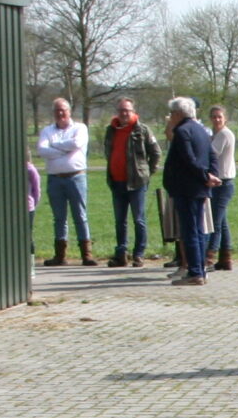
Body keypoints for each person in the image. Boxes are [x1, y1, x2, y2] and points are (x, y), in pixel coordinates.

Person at [162, 96, 218, 285]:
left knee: (190, 231)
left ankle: (195, 272)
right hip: (200, 187)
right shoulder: (200, 129)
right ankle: (200, 270)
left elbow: (188, 159)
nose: (170, 117)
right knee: (198, 230)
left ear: (178, 113)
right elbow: (212, 155)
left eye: (172, 113)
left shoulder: (182, 131)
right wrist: (212, 174)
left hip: (187, 188)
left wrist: (205, 176)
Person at [35, 98, 94, 266]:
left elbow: (76, 143)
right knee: (59, 218)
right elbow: (42, 150)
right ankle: (60, 255)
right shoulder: (47, 130)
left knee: (80, 216)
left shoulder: (80, 128)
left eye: (63, 110)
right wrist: (65, 150)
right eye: (57, 110)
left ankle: (87, 254)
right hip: (55, 179)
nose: (60, 113)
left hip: (76, 177)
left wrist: (54, 146)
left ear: (69, 111)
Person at [103, 97, 159, 268]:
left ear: (133, 112)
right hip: (116, 182)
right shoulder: (110, 130)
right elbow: (108, 152)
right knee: (120, 221)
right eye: (121, 110)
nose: (124, 114)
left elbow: (156, 153)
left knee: (139, 220)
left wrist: (147, 173)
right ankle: (121, 254)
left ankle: (139, 254)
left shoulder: (142, 130)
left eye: (127, 110)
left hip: (137, 183)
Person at [206, 104, 238, 272]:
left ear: (225, 118)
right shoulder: (215, 135)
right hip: (218, 182)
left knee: (215, 222)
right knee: (222, 222)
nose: (217, 119)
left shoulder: (225, 134)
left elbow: (211, 153)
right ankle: (226, 258)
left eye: (219, 116)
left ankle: (209, 257)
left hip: (223, 183)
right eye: (214, 117)